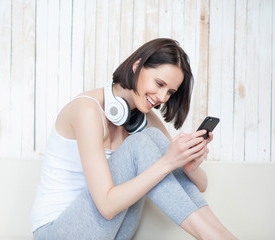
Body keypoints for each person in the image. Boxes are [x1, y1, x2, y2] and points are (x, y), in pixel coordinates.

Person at [31, 38, 237, 240]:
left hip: (112, 231)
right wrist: (168, 161)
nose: (162, 97)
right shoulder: (87, 110)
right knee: (142, 144)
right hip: (58, 231)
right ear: (137, 66)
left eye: (170, 92)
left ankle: (223, 236)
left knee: (153, 138)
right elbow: (107, 206)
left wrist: (189, 166)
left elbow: (201, 186)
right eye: (159, 83)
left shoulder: (146, 119)